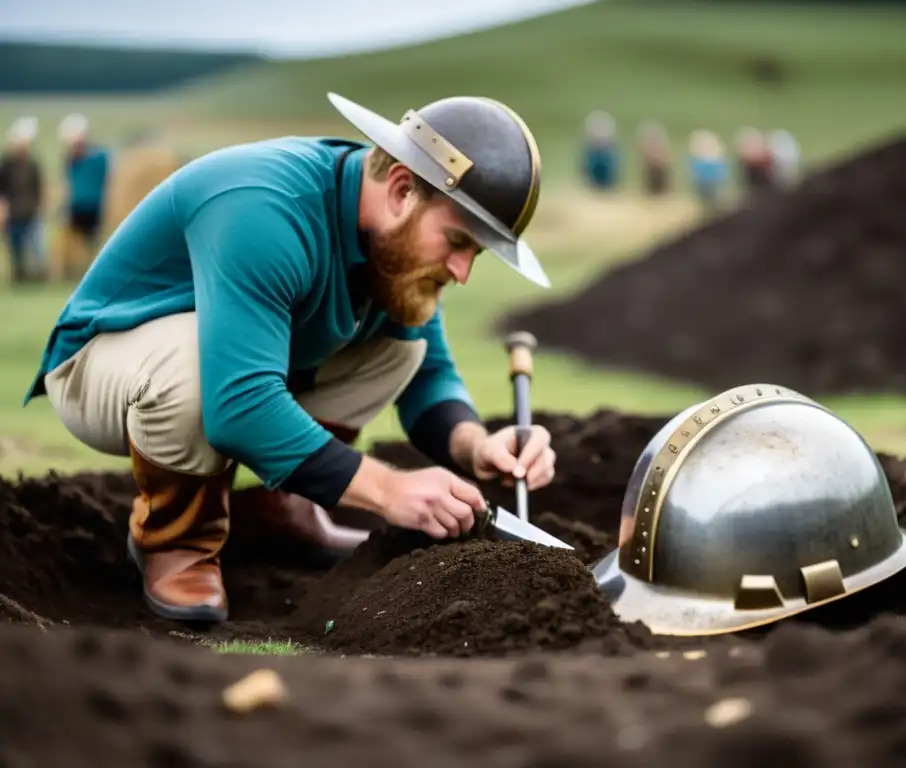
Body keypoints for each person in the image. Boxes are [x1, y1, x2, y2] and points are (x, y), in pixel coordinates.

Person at [25, 92, 557, 624]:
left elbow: (429, 374)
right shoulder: (265, 206)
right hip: (101, 365)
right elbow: (238, 405)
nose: (462, 271)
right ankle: (177, 540)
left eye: (476, 255)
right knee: (194, 366)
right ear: (400, 189)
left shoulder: (390, 244)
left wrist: (476, 445)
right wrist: (388, 489)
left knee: (404, 345)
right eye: (458, 241)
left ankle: (282, 508)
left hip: (228, 368)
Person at [56, 113, 110, 280]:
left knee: (95, 243)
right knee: (77, 245)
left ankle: (95, 272)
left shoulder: (98, 158)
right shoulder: (71, 160)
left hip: (95, 207)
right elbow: (67, 184)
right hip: (76, 208)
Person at [0, 117, 45, 283]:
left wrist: (40, 207)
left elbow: (38, 188)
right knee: (15, 249)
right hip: (13, 214)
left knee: (36, 249)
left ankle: (38, 277)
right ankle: (18, 277)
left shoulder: (33, 164)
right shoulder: (6, 164)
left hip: (31, 213)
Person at [580, 110, 621, 191]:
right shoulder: (590, 154)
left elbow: (614, 173)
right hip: (592, 187)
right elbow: (585, 171)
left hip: (609, 187)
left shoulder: (611, 154)